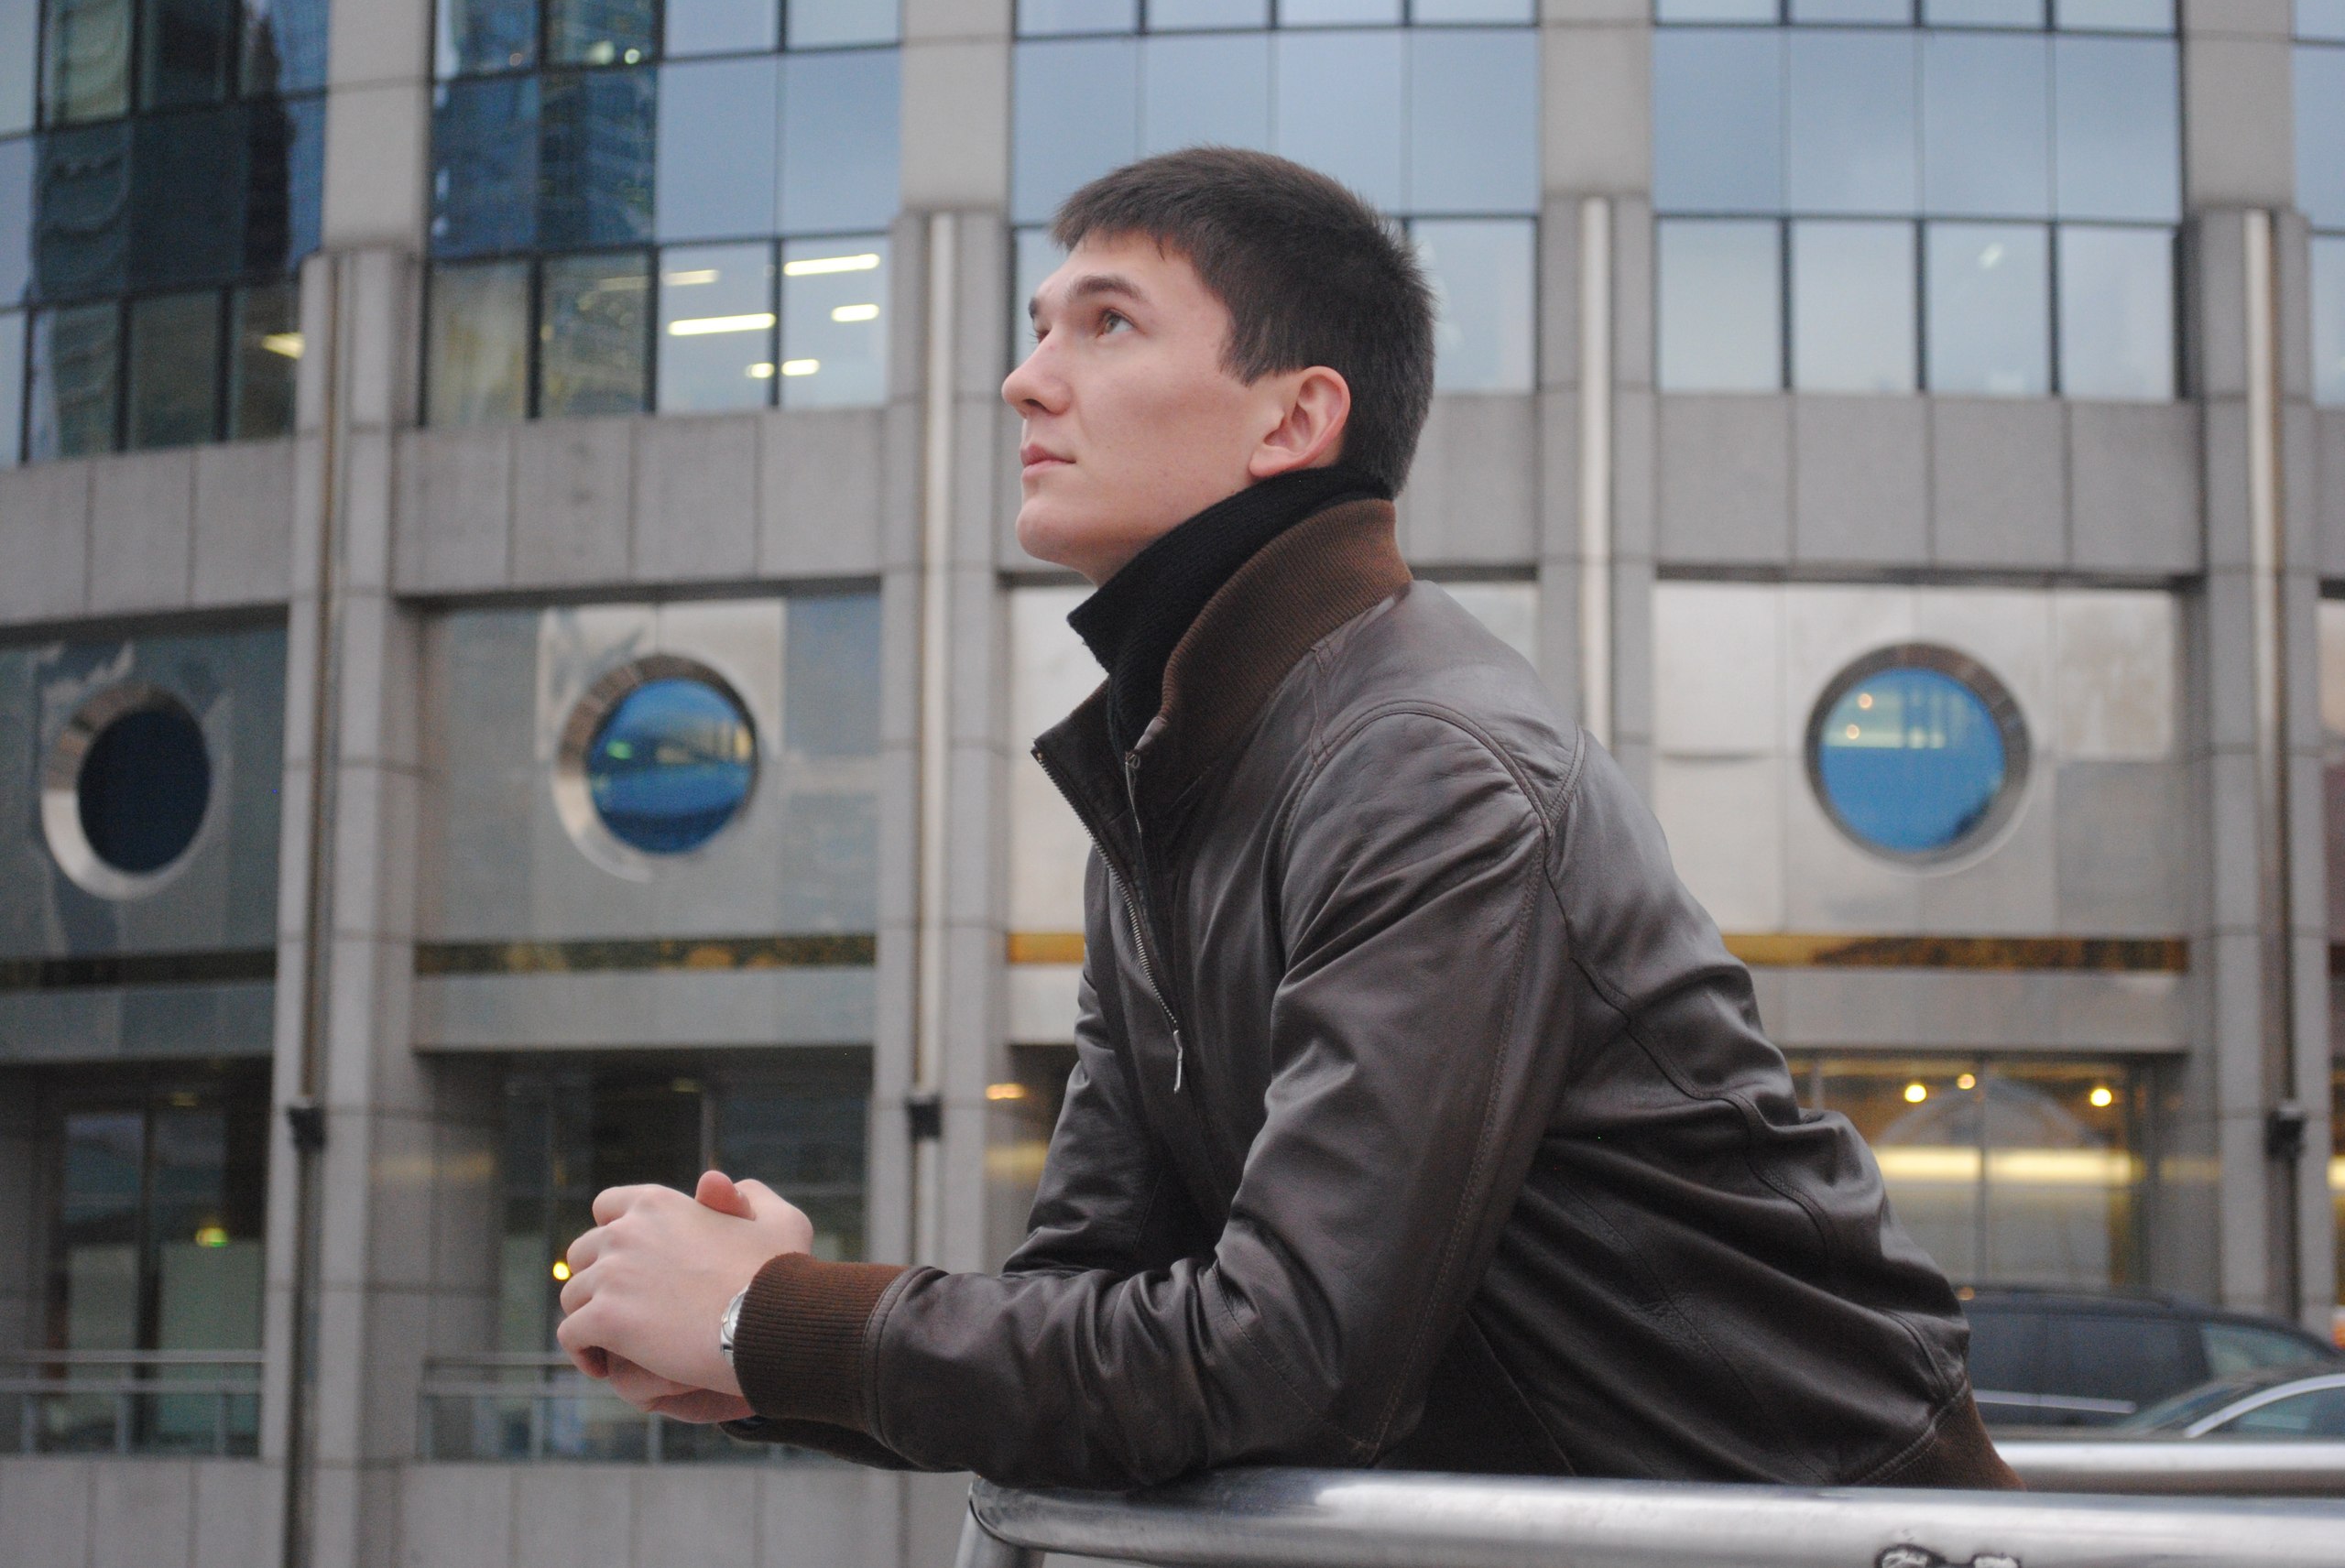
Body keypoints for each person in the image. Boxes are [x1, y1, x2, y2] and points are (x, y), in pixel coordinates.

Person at [552, 147, 2021, 1491]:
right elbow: (1088, 1294)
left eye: (1105, 324)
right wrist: (758, 1342)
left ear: (1296, 417)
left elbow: (1293, 1356)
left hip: (1827, 1535)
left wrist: (770, 1320)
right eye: (1039, 324)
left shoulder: (1426, 768)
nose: (1025, 380)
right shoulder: (1171, 772)